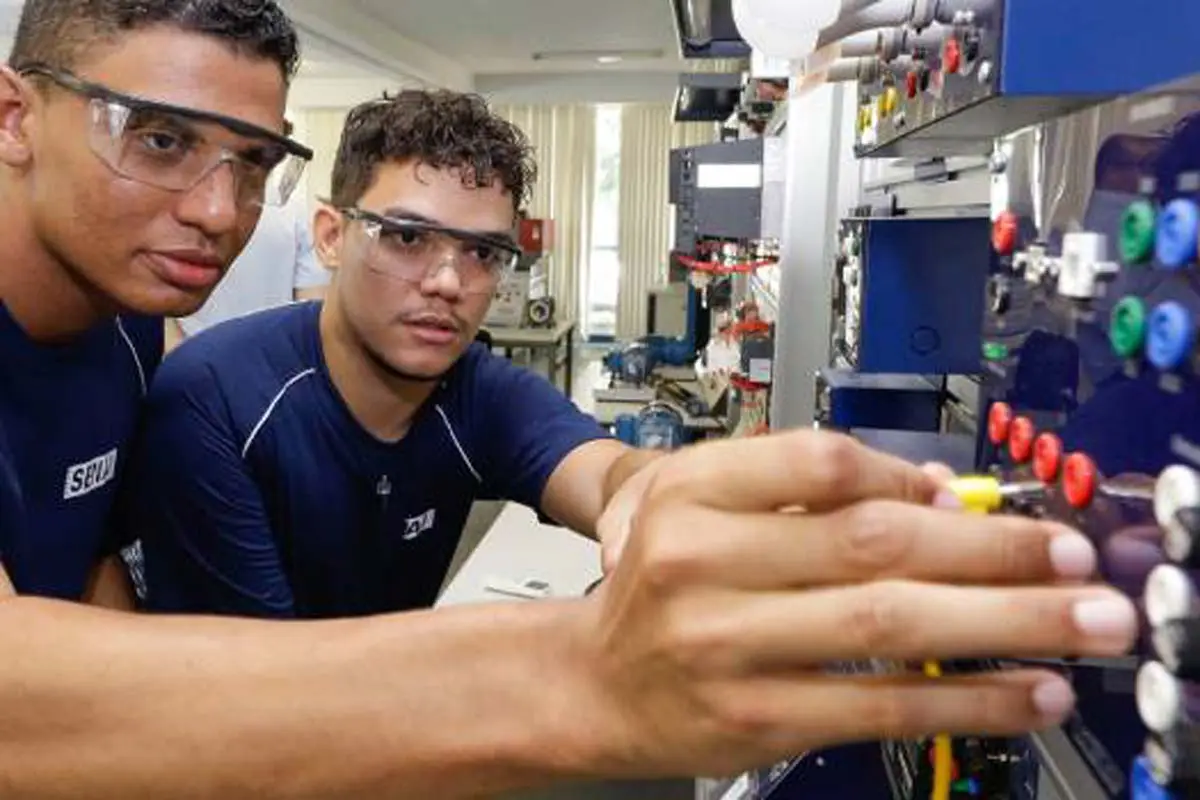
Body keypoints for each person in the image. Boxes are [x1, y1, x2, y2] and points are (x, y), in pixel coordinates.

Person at [0, 0, 1138, 796]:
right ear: (14, 117)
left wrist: (671, 504)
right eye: (155, 138)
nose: (216, 208)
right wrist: (583, 669)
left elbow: (606, 469)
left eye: (251, 162)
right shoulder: (211, 386)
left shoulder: (134, 332)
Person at [121, 90, 660, 617]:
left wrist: (651, 493)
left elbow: (603, 471)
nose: (449, 282)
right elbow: (261, 678)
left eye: (482, 252)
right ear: (332, 237)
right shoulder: (216, 398)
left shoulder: (476, 389)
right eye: (406, 238)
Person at [164, 196, 329, 352]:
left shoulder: (180, 201)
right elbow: (311, 319)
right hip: (274, 360)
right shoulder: (299, 209)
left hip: (190, 355)